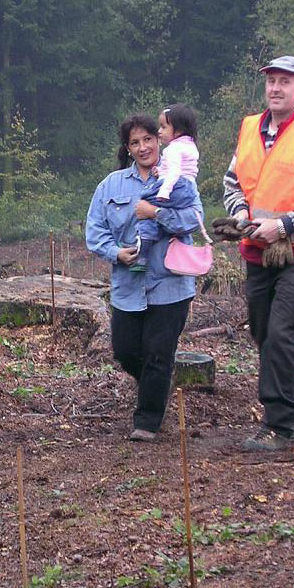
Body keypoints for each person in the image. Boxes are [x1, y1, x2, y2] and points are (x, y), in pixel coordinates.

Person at [213, 55, 294, 452]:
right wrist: (240, 215)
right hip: (257, 251)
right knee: (262, 333)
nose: (275, 87)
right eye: (271, 80)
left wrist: (283, 226)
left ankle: (279, 423)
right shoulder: (250, 128)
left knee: (281, 334)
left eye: (285, 81)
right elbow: (233, 181)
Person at [85, 114, 205, 442]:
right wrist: (115, 253)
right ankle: (158, 383)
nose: (143, 147)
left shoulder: (177, 178)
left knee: (158, 351)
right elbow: (94, 231)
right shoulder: (111, 185)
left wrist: (156, 213)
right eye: (135, 142)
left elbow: (194, 219)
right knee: (125, 350)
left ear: (160, 140)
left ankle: (147, 422)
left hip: (170, 282)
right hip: (128, 283)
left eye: (148, 139)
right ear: (127, 148)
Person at [132, 104, 199, 271]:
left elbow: (175, 172)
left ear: (177, 131)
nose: (159, 131)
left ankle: (144, 243)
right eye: (134, 143)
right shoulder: (189, 146)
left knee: (145, 200)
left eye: (163, 127)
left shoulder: (173, 149)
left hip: (174, 186)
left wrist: (159, 199)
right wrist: (160, 171)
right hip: (184, 186)